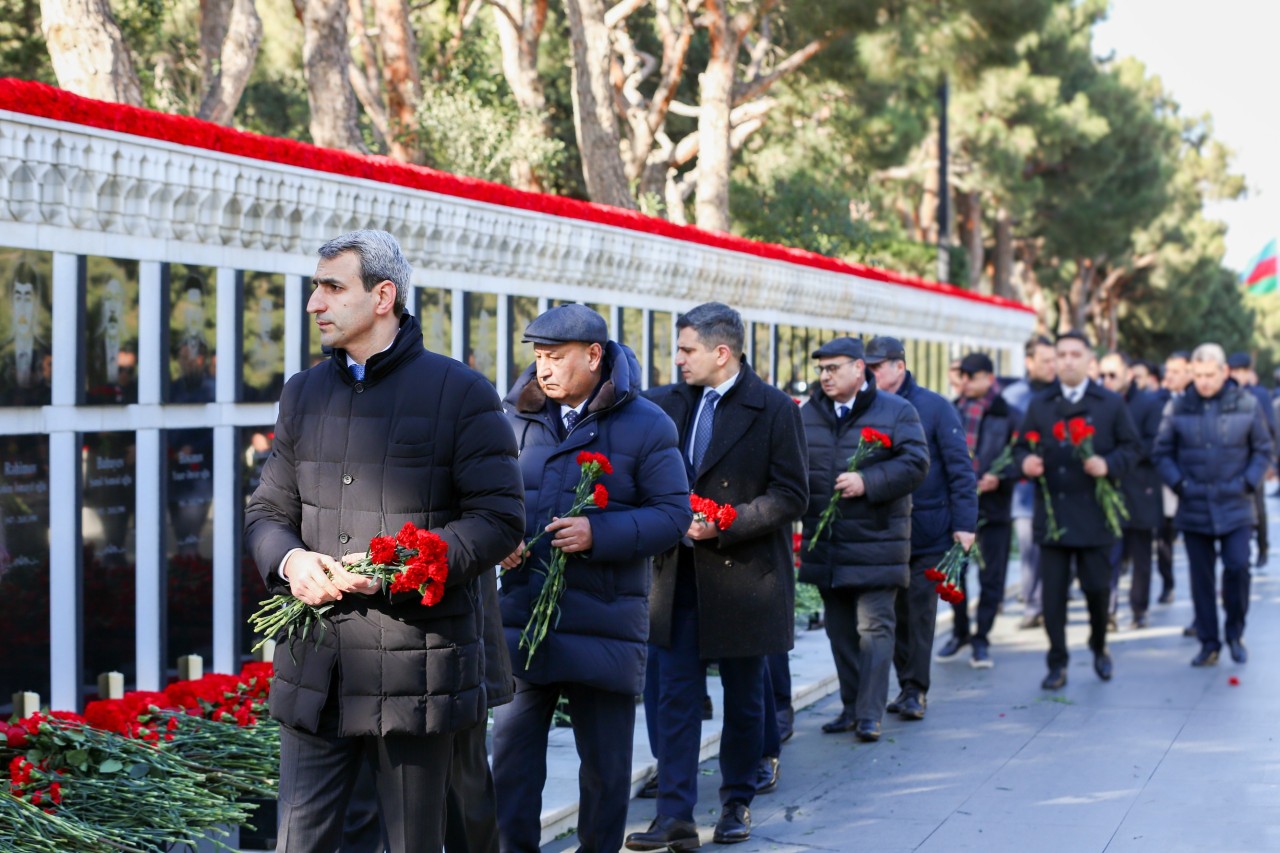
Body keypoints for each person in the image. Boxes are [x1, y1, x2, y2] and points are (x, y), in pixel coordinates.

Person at [244, 229, 526, 852]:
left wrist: (404, 569)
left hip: (416, 672)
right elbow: (266, 509)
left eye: (331, 287)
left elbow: (500, 518)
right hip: (315, 668)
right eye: (315, 288)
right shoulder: (303, 392)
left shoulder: (460, 393)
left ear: (383, 296)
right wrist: (291, 561)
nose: (315, 303)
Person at [492, 304, 690, 853]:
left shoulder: (646, 423)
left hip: (604, 622)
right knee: (509, 764)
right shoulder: (515, 420)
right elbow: (489, 500)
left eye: (555, 358)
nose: (543, 370)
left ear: (594, 355)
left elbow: (673, 515)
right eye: (537, 358)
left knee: (604, 772)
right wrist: (500, 539)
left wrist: (596, 534)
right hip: (525, 618)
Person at [628, 302, 807, 850]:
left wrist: (726, 524)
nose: (677, 359)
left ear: (721, 352)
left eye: (686, 350)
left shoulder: (773, 408)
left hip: (745, 578)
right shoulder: (664, 403)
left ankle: (736, 802)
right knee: (673, 699)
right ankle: (674, 816)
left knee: (745, 697)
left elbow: (792, 495)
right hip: (676, 576)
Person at [800, 337, 929, 740]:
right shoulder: (807, 415)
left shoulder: (897, 411)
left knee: (874, 629)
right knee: (839, 631)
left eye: (833, 368)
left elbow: (916, 463)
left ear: (859, 369)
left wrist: (867, 480)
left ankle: (870, 713)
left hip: (878, 542)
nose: (825, 376)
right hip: (829, 545)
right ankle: (851, 706)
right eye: (821, 369)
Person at [1013, 331, 1141, 690]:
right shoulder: (1041, 403)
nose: (1068, 360)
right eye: (1062, 354)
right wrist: (1026, 464)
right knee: (1052, 595)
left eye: (1075, 354)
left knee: (1098, 591)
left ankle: (1099, 646)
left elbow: (1133, 448)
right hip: (1053, 514)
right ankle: (1057, 661)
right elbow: (1021, 447)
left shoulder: (1110, 403)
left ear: (1089, 361)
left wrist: (1109, 463)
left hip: (1095, 515)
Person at [862, 336, 975, 720]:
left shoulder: (935, 407)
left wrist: (964, 525)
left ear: (899, 365)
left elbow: (960, 469)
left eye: (876, 367)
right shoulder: (867, 406)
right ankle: (906, 681)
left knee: (920, 613)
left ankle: (915, 689)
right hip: (881, 529)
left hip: (929, 529)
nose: (870, 374)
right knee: (888, 614)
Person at [1153, 344, 1272, 667]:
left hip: (1235, 504)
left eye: (1210, 375)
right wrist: (1180, 484)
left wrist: (1248, 482)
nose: (1204, 382)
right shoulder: (1178, 407)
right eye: (1199, 375)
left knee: (1237, 567)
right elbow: (1161, 452)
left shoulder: (1246, 404)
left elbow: (1263, 450)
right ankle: (1209, 642)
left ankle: (1235, 631)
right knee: (1201, 579)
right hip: (1194, 505)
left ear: (1224, 373)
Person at [941, 352, 1018, 668]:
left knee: (992, 577)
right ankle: (960, 632)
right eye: (963, 376)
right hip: (959, 507)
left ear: (988, 377)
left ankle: (982, 637)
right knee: (955, 572)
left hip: (994, 507)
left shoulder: (1009, 413)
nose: (965, 383)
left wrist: (999, 477)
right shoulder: (952, 409)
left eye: (971, 377)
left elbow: (1023, 455)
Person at [1099, 353, 1164, 629]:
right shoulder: (1101, 403)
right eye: (1103, 375)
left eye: (1112, 375)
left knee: (1140, 556)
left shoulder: (1149, 403)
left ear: (1128, 374)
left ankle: (1139, 609)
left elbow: (1154, 444)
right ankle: (1109, 610)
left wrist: (1119, 459)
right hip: (1110, 489)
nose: (1106, 381)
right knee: (1109, 554)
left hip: (1141, 488)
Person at [1001, 335, 1056, 629]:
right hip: (1024, 490)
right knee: (1028, 550)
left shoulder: (1063, 395)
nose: (1052, 366)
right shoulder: (1013, 397)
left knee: (1056, 549)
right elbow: (1003, 445)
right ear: (1029, 361)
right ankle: (1033, 605)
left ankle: (1051, 604)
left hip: (1059, 489)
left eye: (1054, 360)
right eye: (1045, 360)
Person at [1227, 352, 1276, 569]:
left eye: (1241, 371)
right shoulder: (1227, 392)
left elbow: (1271, 429)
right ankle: (1242, 552)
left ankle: (1263, 546)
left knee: (1257, 506)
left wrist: (1269, 461)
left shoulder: (1258, 395)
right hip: (1232, 461)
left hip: (1254, 459)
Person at [1155, 350, 1193, 604]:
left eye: (1176, 371)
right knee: (1164, 537)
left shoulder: (1198, 400)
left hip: (1194, 483)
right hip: (1167, 481)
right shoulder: (1157, 400)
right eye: (1168, 371)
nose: (1170, 377)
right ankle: (1167, 584)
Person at [0, 260, 51, 406]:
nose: (22, 306)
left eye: (27, 298)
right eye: (18, 298)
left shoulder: (45, 348)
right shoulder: (4, 349)